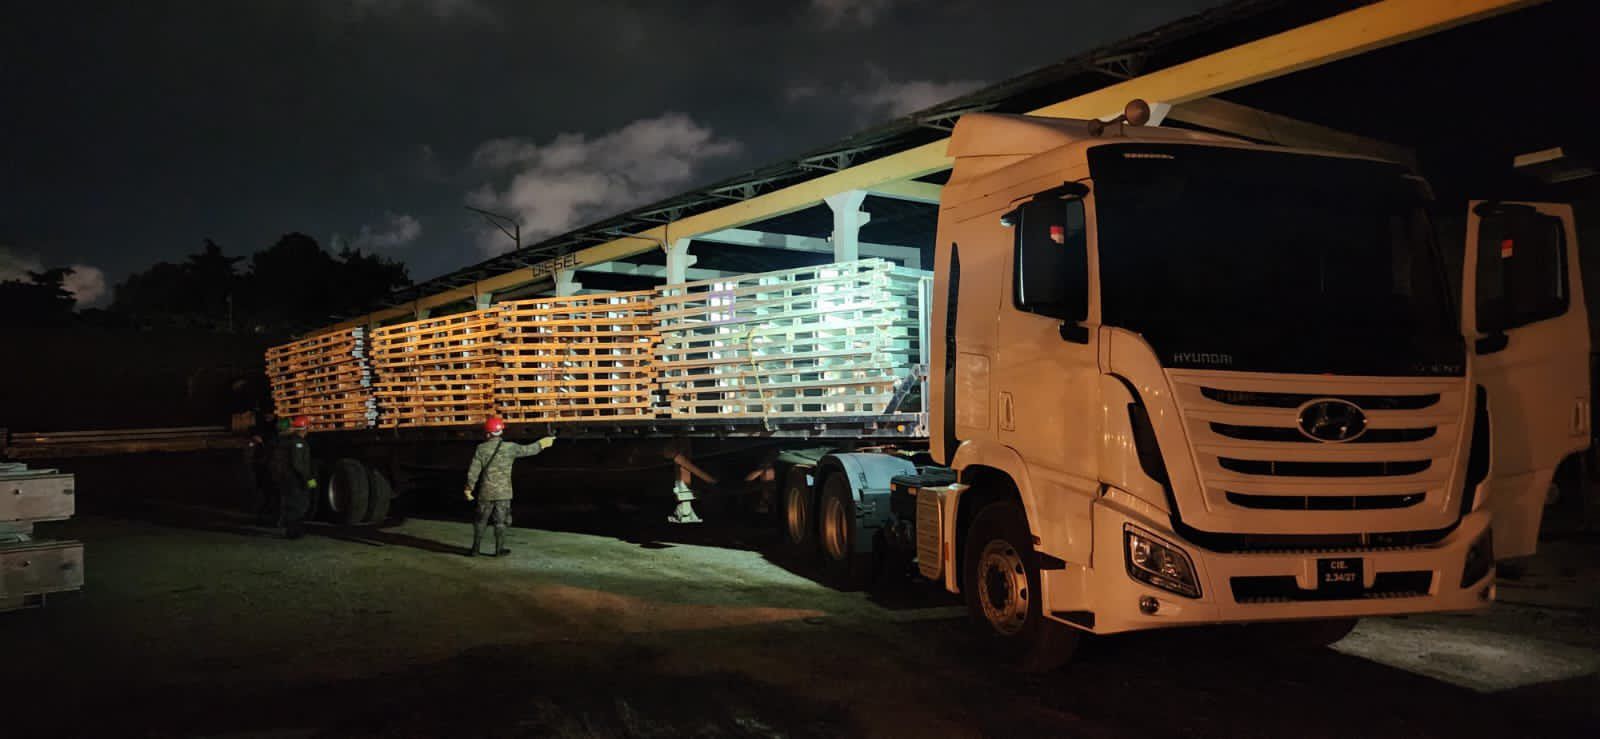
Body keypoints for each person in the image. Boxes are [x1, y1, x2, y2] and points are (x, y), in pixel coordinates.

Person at [463, 416, 555, 557]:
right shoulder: (510, 447)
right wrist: (542, 443)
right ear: (501, 432)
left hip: (486, 492)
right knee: (500, 523)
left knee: (480, 521)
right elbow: (529, 450)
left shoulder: (481, 449)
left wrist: (469, 488)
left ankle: (475, 549)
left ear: (487, 433)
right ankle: (499, 550)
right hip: (504, 493)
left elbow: (473, 471)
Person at [269, 414, 317, 539]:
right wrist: (309, 479)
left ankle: (293, 530)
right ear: (304, 428)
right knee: (298, 505)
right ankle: (293, 531)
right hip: (296, 480)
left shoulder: (290, 441)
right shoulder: (298, 443)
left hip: (289, 478)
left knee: (294, 504)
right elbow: (298, 465)